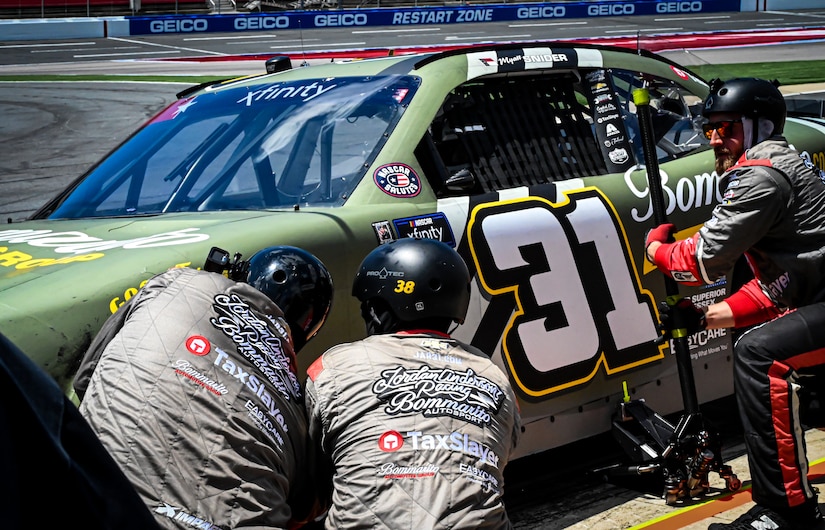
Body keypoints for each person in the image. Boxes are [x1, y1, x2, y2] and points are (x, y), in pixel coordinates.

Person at [644, 77, 825, 530]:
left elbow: (701, 263)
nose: (714, 138)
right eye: (709, 128)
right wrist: (704, 315)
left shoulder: (761, 175)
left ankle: (786, 513)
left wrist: (655, 250)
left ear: (760, 125)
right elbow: (778, 287)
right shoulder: (777, 166)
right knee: (762, 346)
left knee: (760, 356)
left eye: (727, 128)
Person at [73, 245, 334, 530]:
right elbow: (301, 513)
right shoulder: (296, 405)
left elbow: (85, 378)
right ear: (308, 328)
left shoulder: (174, 283)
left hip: (86, 497)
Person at [304, 237, 522, 529]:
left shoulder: (332, 367)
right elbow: (500, 455)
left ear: (376, 310)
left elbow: (312, 487)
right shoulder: (493, 374)